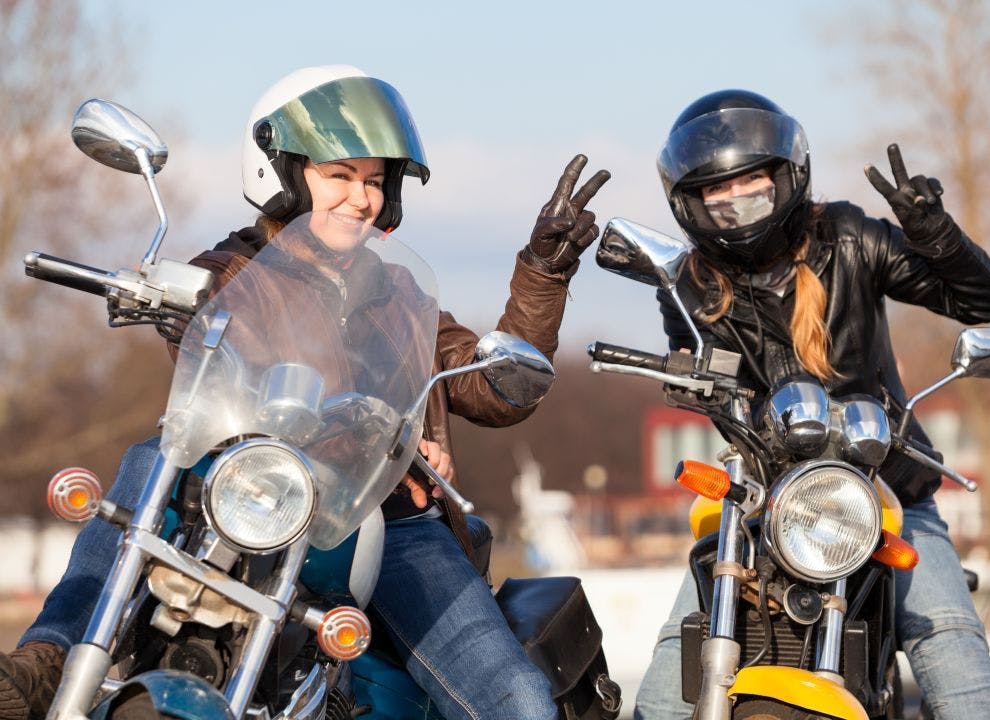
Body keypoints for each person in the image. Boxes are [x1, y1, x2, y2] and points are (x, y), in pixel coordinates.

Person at [0, 65, 610, 720]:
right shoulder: (231, 272)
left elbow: (496, 391)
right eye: (340, 176)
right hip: (256, 497)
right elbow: (207, 349)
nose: (362, 199)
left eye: (375, 182)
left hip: (386, 517)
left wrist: (544, 273)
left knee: (518, 702)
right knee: (152, 457)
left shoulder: (402, 295)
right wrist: (186, 315)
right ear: (284, 173)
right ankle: (52, 656)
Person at [633, 90, 990, 720]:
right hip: (765, 501)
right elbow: (707, 379)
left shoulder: (849, 236)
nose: (734, 201)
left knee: (950, 645)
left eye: (750, 182)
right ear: (689, 202)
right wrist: (690, 381)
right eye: (716, 192)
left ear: (787, 176)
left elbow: (984, 304)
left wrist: (933, 233)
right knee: (670, 672)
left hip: (888, 486)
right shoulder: (692, 285)